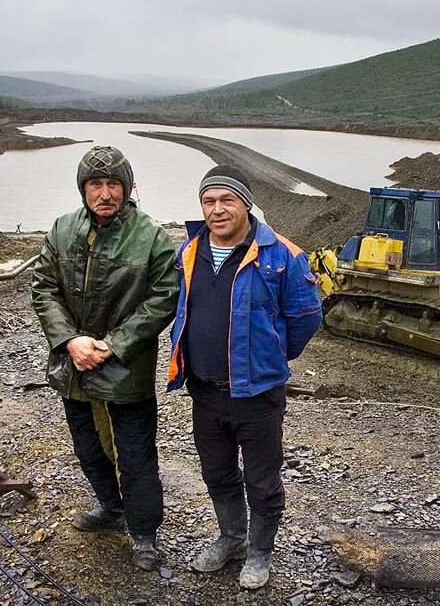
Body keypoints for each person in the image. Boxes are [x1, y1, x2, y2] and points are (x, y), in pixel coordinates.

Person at [166, 164, 322, 589]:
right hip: (205, 391)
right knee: (216, 472)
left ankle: (260, 552)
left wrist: (271, 353)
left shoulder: (283, 255)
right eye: (209, 201)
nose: (217, 210)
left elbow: (307, 317)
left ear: (246, 203)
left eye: (226, 200)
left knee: (263, 480)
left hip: (259, 395)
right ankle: (232, 538)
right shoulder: (189, 251)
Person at [31, 145, 179, 571]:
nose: (105, 193)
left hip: (124, 368)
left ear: (127, 188)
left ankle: (145, 533)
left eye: (114, 184)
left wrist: (114, 344)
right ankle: (111, 509)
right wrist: (70, 340)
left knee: (135, 456)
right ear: (83, 189)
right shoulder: (62, 229)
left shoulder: (150, 236)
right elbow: (43, 288)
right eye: (95, 184)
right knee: (88, 448)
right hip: (73, 366)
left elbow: (164, 296)